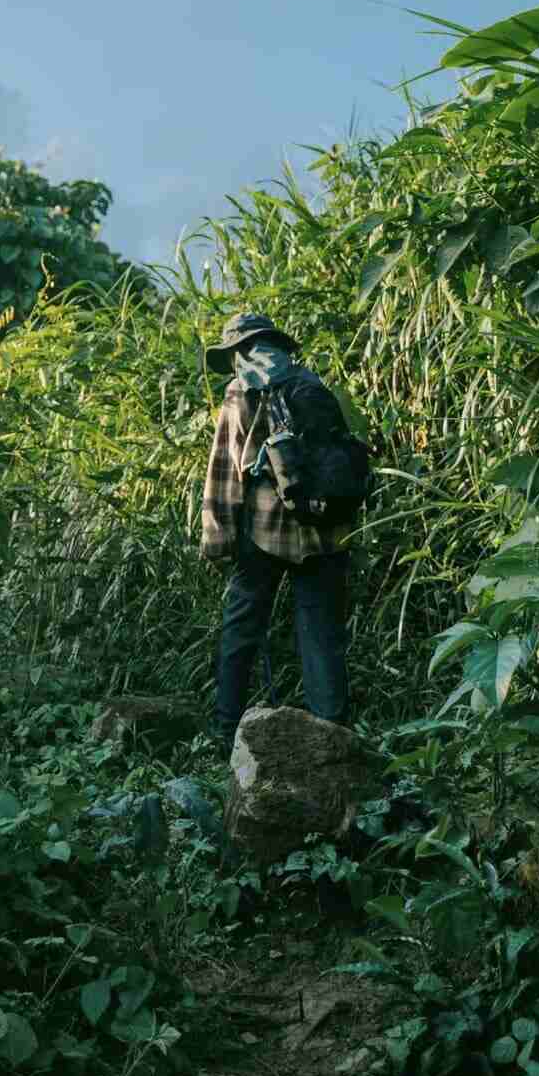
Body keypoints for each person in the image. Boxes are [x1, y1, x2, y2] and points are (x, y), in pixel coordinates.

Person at [200, 311, 353, 756]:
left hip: (264, 532)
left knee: (241, 629)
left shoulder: (239, 392)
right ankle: (334, 740)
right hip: (326, 532)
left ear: (238, 352)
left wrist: (218, 537)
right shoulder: (312, 383)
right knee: (321, 636)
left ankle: (224, 730)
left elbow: (225, 472)